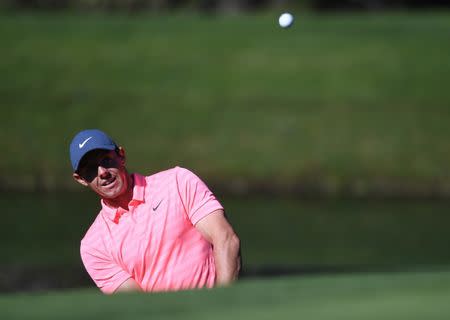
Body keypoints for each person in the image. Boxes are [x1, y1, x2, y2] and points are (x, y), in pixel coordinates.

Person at [69, 129, 241, 294]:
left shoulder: (177, 182)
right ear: (81, 179)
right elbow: (138, 305)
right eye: (90, 169)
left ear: (121, 156)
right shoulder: (93, 245)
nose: (102, 172)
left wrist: (220, 305)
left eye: (106, 160)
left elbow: (225, 239)